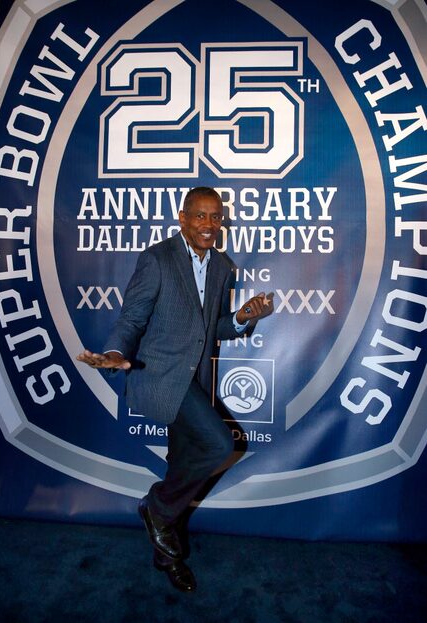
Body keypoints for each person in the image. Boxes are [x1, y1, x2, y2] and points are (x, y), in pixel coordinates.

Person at [77, 187, 271, 592]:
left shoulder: (222, 266)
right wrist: (115, 352)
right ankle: (158, 508)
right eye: (200, 216)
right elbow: (132, 319)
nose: (209, 225)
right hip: (164, 376)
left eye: (216, 217)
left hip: (197, 380)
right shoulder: (157, 259)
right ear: (182, 218)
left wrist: (239, 318)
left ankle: (167, 554)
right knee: (220, 446)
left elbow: (210, 329)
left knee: (182, 461)